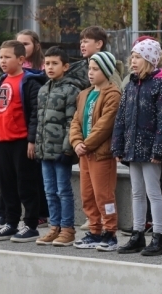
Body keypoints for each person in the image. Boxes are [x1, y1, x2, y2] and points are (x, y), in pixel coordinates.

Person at [114, 38, 162, 257]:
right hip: (133, 148)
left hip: (150, 150)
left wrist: (159, 151)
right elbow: (121, 118)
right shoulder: (131, 84)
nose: (133, 61)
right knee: (137, 192)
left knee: (153, 192)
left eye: (138, 57)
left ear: (149, 59)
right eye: (132, 56)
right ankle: (137, 234)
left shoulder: (161, 85)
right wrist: (118, 146)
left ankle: (158, 236)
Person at [0, 40, 44, 243]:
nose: (3, 61)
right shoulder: (2, 80)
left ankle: (30, 224)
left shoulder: (29, 82)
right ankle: (10, 222)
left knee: (26, 184)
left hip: (22, 142)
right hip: (4, 142)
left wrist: (32, 140)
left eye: (7, 57)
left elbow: (35, 114)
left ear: (21, 59)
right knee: (7, 184)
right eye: (1, 57)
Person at [33, 46, 88, 247]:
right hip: (45, 150)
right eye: (47, 63)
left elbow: (71, 122)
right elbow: (40, 121)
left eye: (54, 63)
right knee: (49, 190)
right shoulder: (43, 89)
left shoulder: (71, 89)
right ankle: (54, 227)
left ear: (65, 66)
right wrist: (38, 146)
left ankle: (67, 228)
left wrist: (67, 149)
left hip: (61, 151)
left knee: (63, 190)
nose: (50, 67)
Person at [69, 51, 122, 251]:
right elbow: (75, 121)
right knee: (88, 195)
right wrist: (76, 143)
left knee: (104, 195)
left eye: (95, 69)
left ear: (107, 71)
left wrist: (87, 144)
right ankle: (94, 230)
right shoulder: (84, 94)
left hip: (101, 154)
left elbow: (105, 124)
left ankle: (110, 232)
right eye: (89, 69)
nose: (90, 73)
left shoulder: (113, 94)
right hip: (85, 154)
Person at [16, 28, 49, 226]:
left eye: (26, 43)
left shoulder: (44, 67)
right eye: (19, 44)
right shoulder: (16, 67)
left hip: (37, 126)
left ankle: (40, 213)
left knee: (38, 175)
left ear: (36, 45)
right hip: (18, 128)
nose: (22, 48)